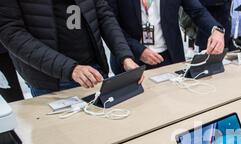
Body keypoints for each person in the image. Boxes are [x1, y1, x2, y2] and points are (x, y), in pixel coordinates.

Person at [0, 0, 142, 98]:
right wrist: (70, 68)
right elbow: (10, 32)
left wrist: (125, 57)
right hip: (50, 78)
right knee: (65, 137)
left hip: (94, 70)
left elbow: (103, 14)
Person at [108, 0, 225, 73]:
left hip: (169, 58)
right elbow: (111, 26)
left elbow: (197, 11)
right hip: (131, 59)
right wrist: (139, 51)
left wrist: (216, 29)